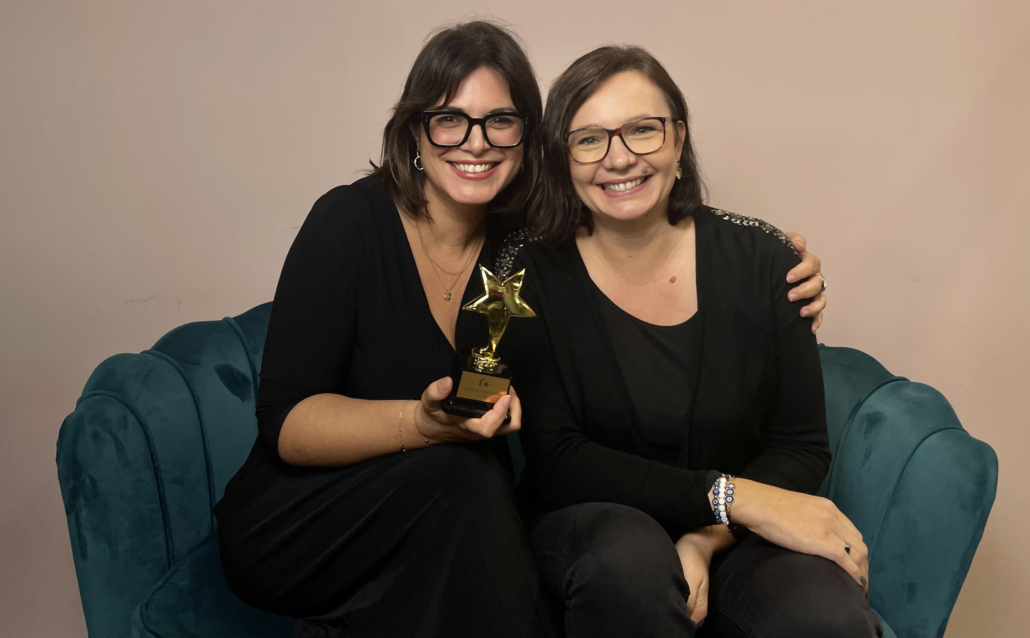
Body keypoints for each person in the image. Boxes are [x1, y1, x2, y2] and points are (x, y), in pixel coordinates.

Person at [214, 22, 828, 638]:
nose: (474, 143)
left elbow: (642, 220)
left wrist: (773, 258)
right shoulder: (348, 222)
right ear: (414, 131)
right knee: (467, 474)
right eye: (449, 119)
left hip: (447, 526)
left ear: (530, 137)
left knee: (475, 481)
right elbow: (288, 425)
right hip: (306, 516)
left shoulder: (530, 244)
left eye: (500, 121)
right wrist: (422, 423)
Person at [504, 45, 879, 638]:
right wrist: (735, 496)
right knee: (628, 564)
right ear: (563, 157)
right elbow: (557, 462)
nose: (618, 158)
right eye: (589, 139)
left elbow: (801, 446)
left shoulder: (767, 261)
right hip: (592, 528)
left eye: (642, 130)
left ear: (678, 140)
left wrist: (708, 535)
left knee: (824, 617)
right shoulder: (526, 275)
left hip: (731, 537)